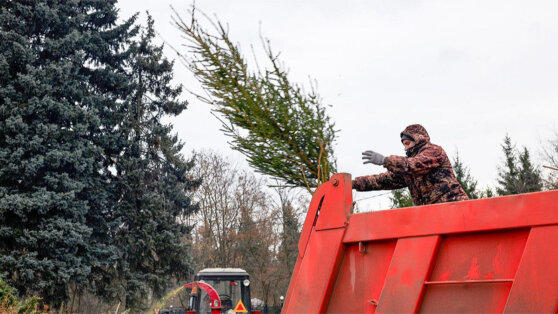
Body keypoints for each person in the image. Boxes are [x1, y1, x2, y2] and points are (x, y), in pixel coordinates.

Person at [352, 124, 469, 206]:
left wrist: (385, 160)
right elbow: (383, 180)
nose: (405, 148)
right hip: (432, 214)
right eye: (404, 145)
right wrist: (352, 184)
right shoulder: (407, 169)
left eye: (407, 143)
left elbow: (413, 165)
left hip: (455, 207)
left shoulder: (434, 152)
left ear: (418, 139)